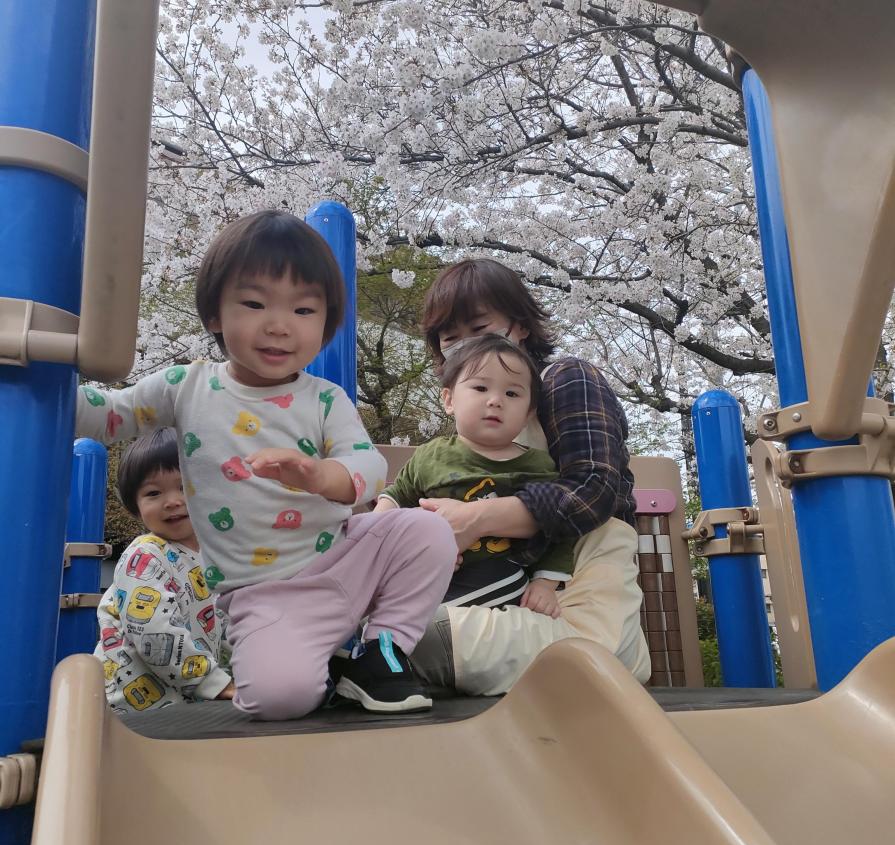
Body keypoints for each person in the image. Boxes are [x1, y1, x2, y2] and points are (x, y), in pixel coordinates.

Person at [79, 209, 456, 719]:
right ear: (215, 314)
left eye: (304, 311)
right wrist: (51, 374)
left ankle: (379, 652)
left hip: (344, 556)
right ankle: (329, 661)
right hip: (266, 593)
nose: (279, 326)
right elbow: (111, 416)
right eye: (254, 303)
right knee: (280, 700)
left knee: (427, 532)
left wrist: (322, 475)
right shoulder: (185, 388)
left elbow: (367, 464)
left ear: (325, 324)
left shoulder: (325, 398)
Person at [411, 258, 651, 695]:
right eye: (451, 340)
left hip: (580, 584)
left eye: (480, 329)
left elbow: (594, 490)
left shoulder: (564, 378)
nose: (467, 348)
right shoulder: (471, 428)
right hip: (496, 594)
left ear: (519, 326)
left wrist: (476, 518)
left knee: (424, 638)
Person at [375, 334, 573, 617]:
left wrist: (545, 583)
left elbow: (560, 531)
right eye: (480, 387)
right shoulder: (431, 455)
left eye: (512, 394)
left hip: (501, 574)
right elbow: (398, 495)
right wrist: (378, 523)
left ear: (529, 412)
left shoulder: (537, 466)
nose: (495, 401)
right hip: (429, 573)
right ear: (449, 399)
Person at [95, 428, 234, 713]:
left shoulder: (215, 560)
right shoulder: (145, 555)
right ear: (136, 507)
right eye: (154, 493)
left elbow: (228, 625)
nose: (172, 501)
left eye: (185, 487)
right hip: (133, 708)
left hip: (187, 704)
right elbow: (154, 633)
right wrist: (216, 683)